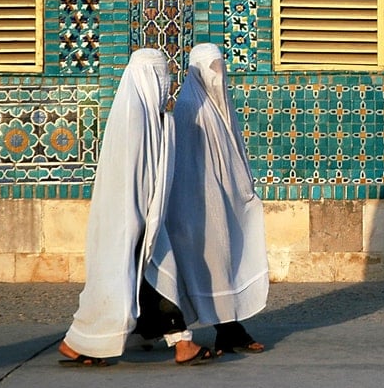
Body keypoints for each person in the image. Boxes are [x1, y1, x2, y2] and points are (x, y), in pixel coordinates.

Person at [59, 48, 218, 366]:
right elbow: (132, 180)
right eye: (161, 77)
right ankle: (181, 343)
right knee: (156, 273)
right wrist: (139, 222)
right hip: (133, 220)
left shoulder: (151, 118)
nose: (166, 85)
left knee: (132, 280)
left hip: (141, 218)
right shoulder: (134, 120)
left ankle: (78, 343)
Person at [158, 43, 269, 354]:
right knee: (211, 267)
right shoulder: (189, 107)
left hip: (222, 205)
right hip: (197, 209)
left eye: (221, 67)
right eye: (212, 69)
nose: (218, 75)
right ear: (197, 71)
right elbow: (185, 169)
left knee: (225, 264)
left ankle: (228, 330)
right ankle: (228, 331)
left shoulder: (221, 105)